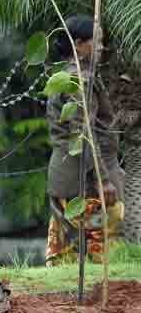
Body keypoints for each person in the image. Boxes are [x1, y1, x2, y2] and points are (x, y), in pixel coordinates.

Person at [45, 15, 126, 266]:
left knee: (64, 256)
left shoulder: (67, 76)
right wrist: (104, 181)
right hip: (84, 181)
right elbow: (84, 133)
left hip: (69, 176)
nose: (102, 48)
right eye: (97, 41)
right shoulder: (80, 80)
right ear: (79, 44)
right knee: (100, 254)